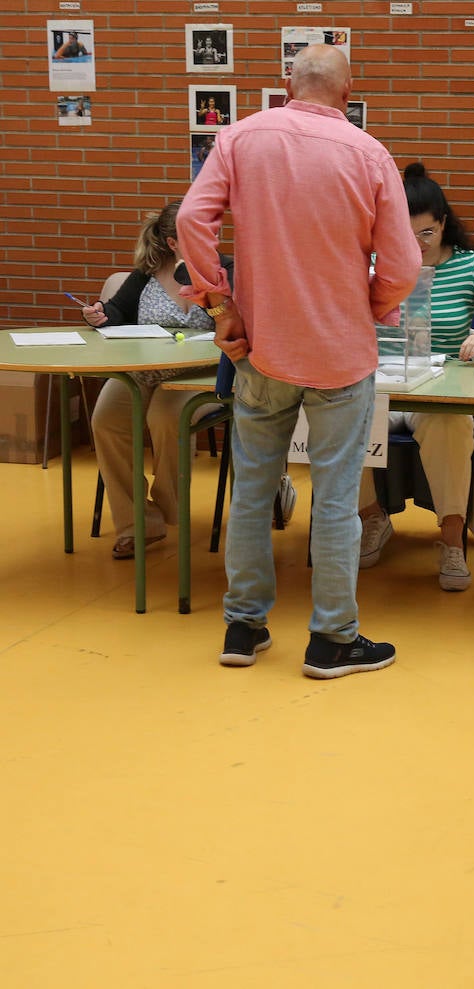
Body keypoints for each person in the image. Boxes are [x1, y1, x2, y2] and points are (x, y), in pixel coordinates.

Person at [177, 43, 421, 680]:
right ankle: (333, 639)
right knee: (336, 501)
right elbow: (402, 266)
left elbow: (191, 218)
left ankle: (243, 626)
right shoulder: (368, 154)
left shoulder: (239, 139)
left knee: (254, 491)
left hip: (261, 351)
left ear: (287, 84)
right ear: (347, 92)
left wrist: (220, 305)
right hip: (341, 355)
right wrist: (370, 305)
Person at [357, 162, 474, 591]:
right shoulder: (375, 264)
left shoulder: (469, 266)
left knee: (450, 424)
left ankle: (451, 539)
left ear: (443, 224)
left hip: (438, 391)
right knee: (347, 418)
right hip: (383, 385)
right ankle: (372, 518)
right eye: (405, 232)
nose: (416, 244)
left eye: (427, 234)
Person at [80, 202, 225, 559]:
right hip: (143, 370)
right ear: (173, 243)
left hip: (197, 375)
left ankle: (169, 507)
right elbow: (117, 311)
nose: (209, 239)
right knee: (106, 421)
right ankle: (138, 523)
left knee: (165, 417)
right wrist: (100, 314)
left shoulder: (223, 271)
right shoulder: (146, 273)